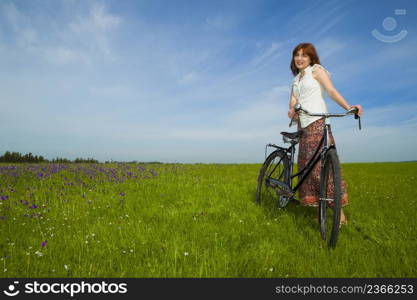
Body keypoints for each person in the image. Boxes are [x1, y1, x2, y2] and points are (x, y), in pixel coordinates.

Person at [288, 42, 363, 226]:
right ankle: (319, 210)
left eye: (304, 55)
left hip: (318, 122)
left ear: (311, 58)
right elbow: (293, 99)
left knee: (324, 169)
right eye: (297, 55)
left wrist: (348, 107)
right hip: (303, 126)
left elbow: (330, 90)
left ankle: (340, 215)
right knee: (308, 170)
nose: (300, 58)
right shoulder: (296, 79)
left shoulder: (316, 71)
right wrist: (291, 110)